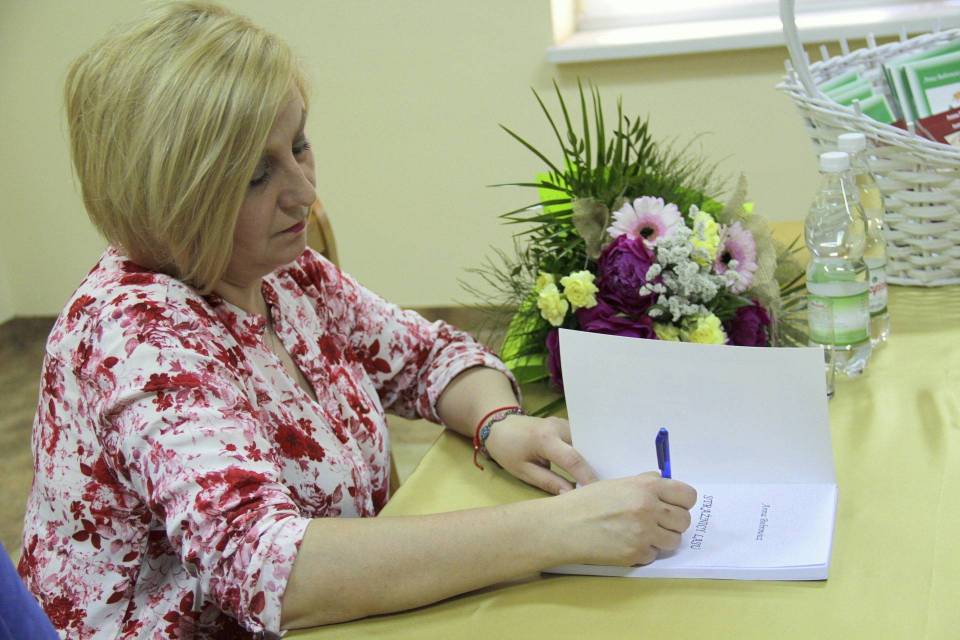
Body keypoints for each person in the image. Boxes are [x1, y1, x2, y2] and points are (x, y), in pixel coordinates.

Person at [18, 2, 697, 638]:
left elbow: (428, 356)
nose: (304, 191)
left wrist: (500, 423)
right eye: (256, 175)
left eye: (299, 146)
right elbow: (269, 570)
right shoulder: (132, 335)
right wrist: (558, 529)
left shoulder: (281, 273)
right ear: (170, 196)